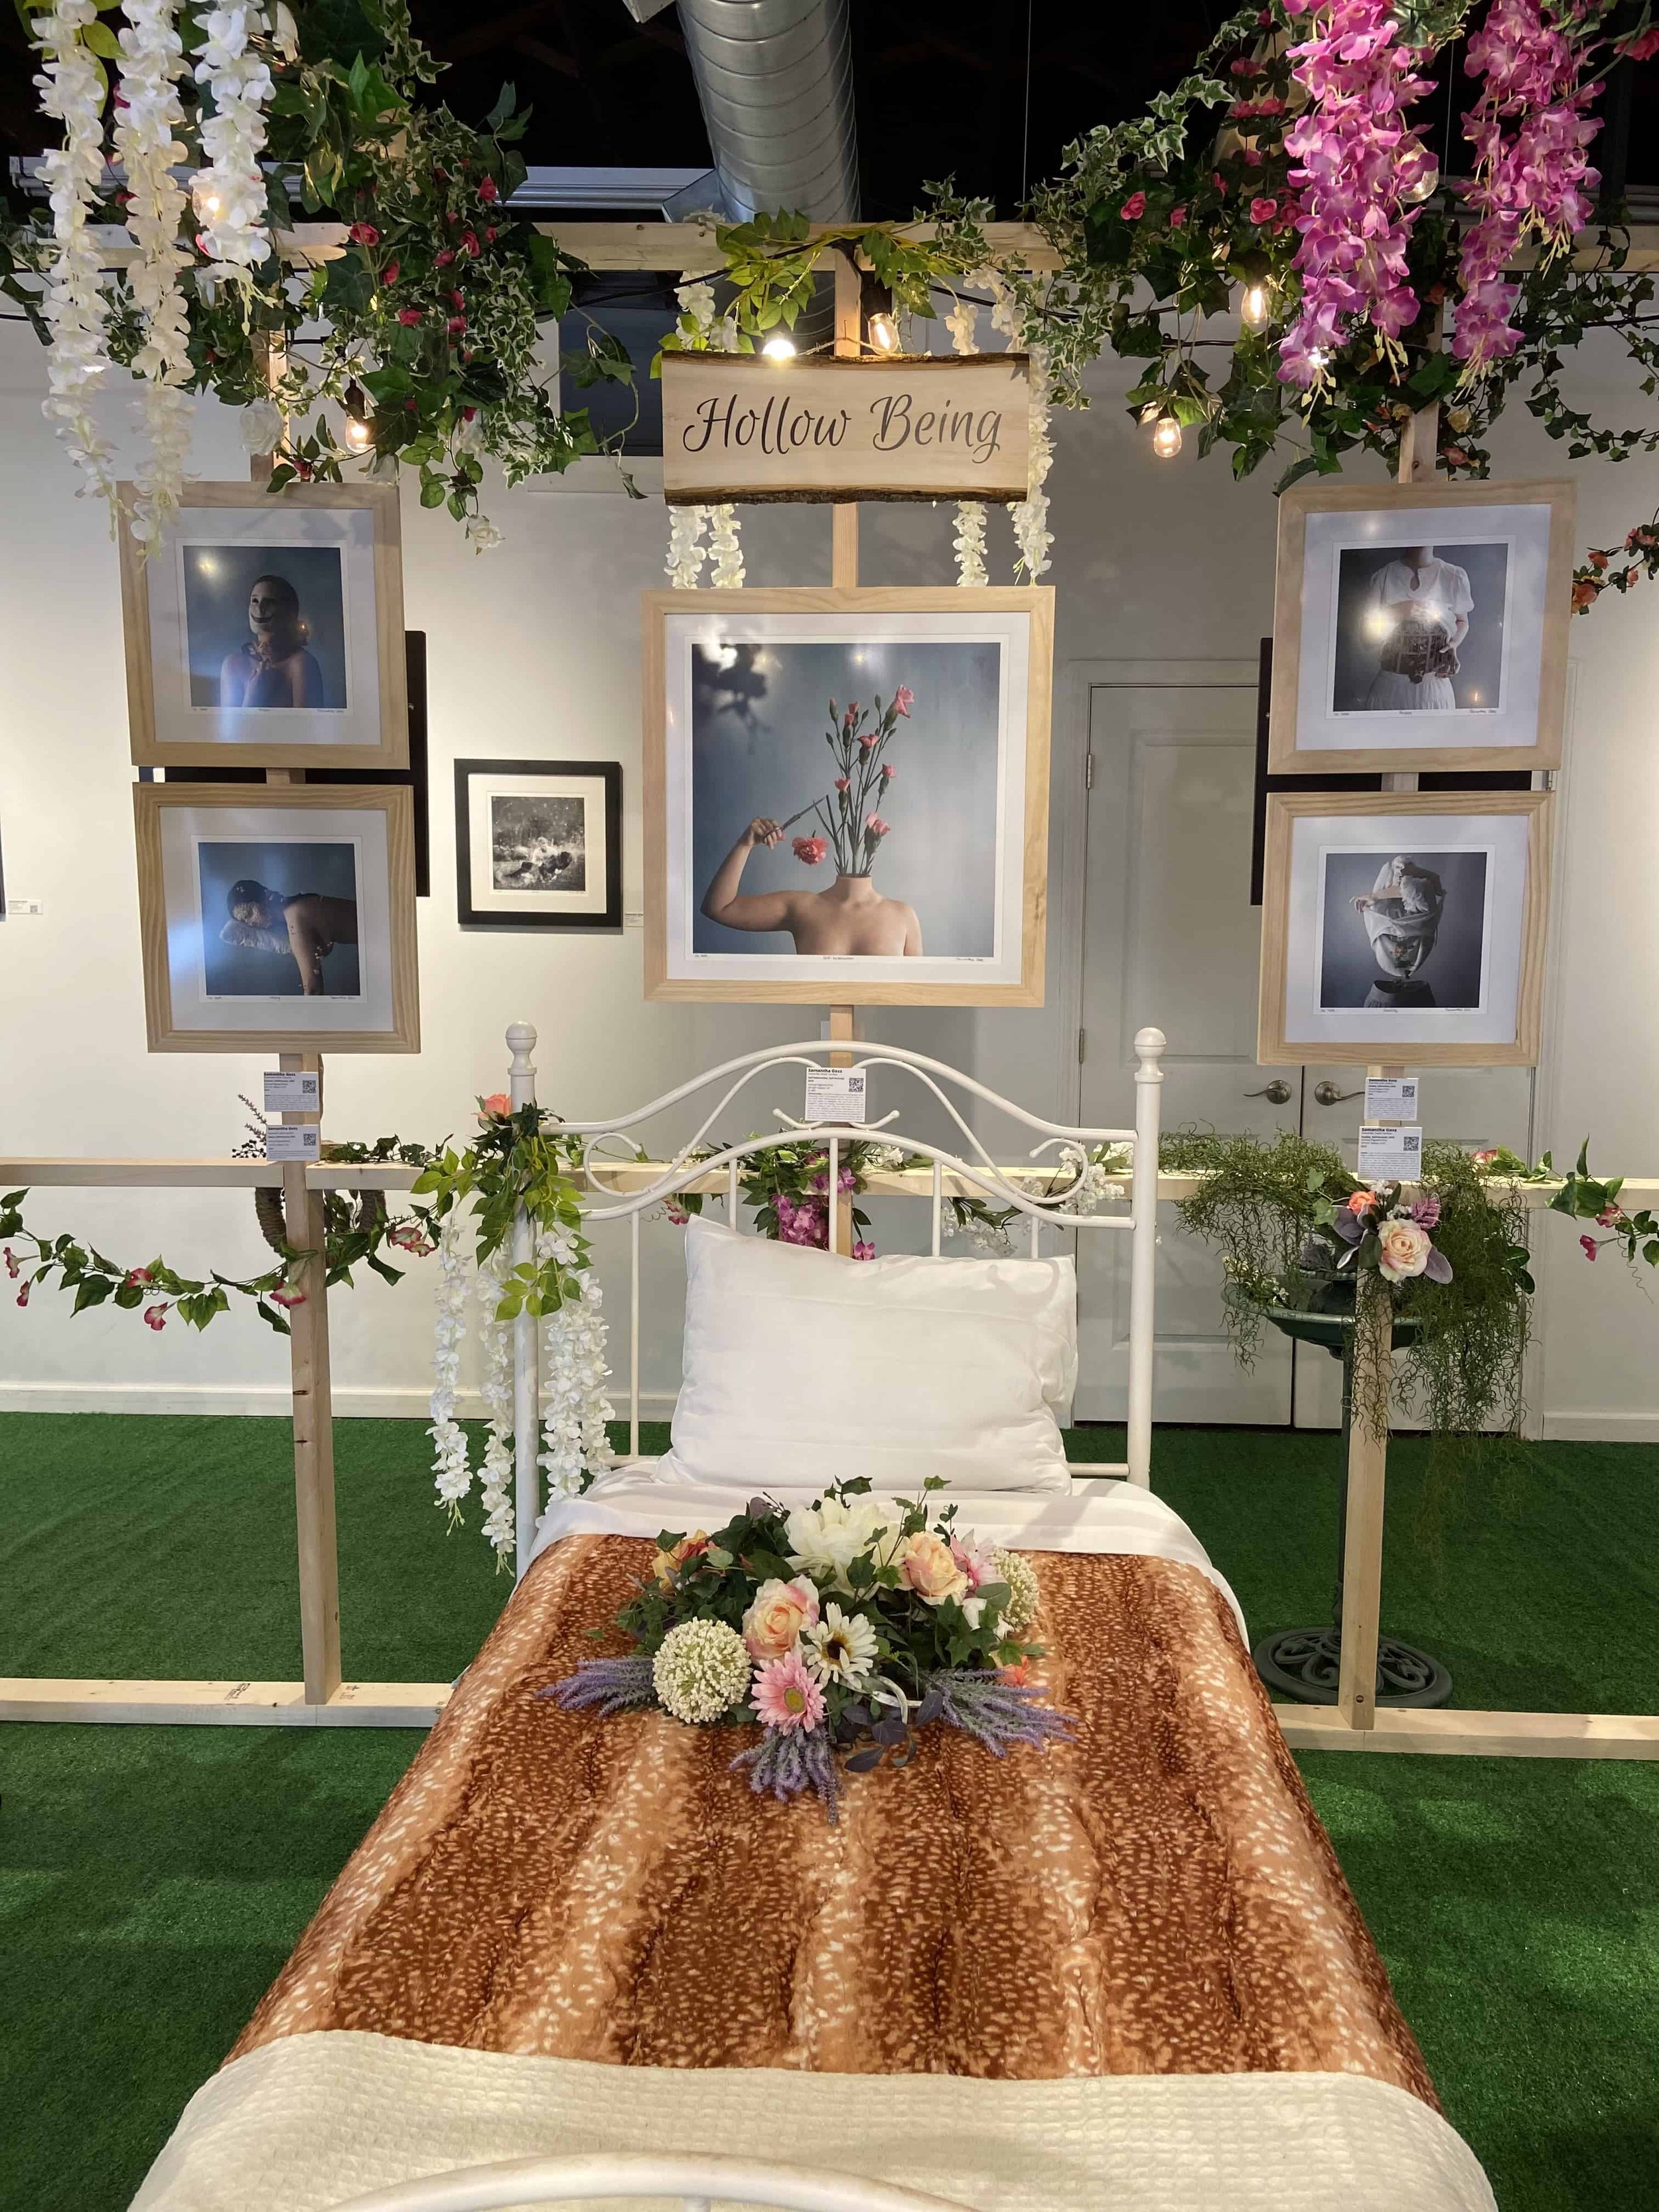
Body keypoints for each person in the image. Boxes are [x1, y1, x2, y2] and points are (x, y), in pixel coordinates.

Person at [701, 818, 922, 956]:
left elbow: (916, 999)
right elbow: (719, 908)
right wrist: (744, 845)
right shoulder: (804, 907)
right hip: (809, 1017)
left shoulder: (903, 916)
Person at [1360, 546, 1473, 711]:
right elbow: (1366, 640)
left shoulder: (1454, 576)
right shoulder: (1384, 577)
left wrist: (1454, 644)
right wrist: (1395, 612)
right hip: (1390, 689)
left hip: (1436, 690)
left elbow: (1462, 621)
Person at [220, 879, 358, 996]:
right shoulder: (296, 907)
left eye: (249, 913)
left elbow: (313, 991)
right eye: (244, 921)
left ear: (263, 900)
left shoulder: (295, 918)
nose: (250, 923)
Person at [219, 574, 326, 709]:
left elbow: (308, 722)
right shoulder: (233, 664)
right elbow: (229, 723)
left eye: (269, 602)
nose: (260, 608)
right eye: (255, 601)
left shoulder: (302, 663)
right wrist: (253, 696)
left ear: (289, 611)